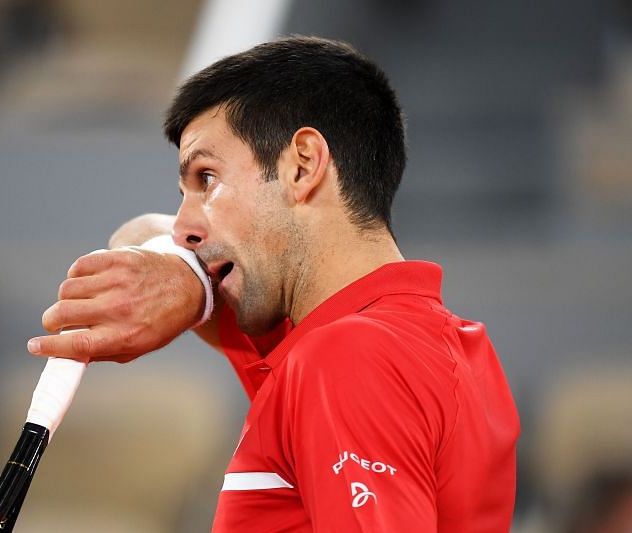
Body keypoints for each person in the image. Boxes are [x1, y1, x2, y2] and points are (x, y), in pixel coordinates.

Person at [26, 36, 520, 532]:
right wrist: (193, 281)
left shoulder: (348, 357)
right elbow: (135, 236)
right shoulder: (429, 345)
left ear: (302, 165)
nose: (182, 227)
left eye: (206, 178)